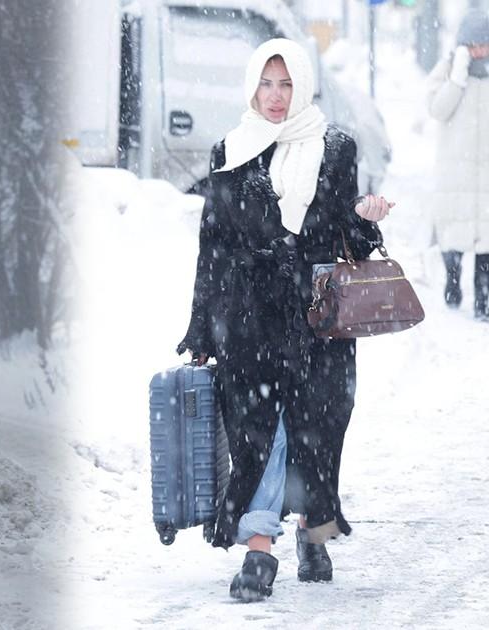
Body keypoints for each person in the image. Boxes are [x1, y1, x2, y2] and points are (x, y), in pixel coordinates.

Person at [177, 39, 392, 602]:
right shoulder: (231, 148)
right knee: (261, 432)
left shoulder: (336, 148)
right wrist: (201, 328)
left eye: (287, 84)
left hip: (317, 315)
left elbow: (347, 240)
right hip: (248, 316)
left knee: (317, 430)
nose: (275, 97)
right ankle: (259, 548)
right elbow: (214, 245)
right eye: (266, 84)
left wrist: (366, 220)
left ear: (303, 85)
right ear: (253, 87)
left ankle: (311, 527)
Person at [426, 9, 489, 320]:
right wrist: (458, 77)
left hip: (486, 174)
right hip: (456, 171)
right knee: (453, 235)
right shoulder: (448, 70)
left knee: (486, 242)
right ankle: (452, 282)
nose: (479, 50)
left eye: (484, 44)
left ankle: (484, 300)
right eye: (473, 44)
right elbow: (438, 109)